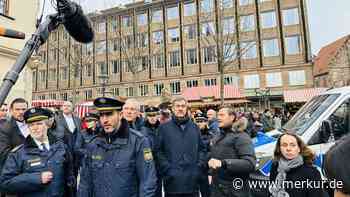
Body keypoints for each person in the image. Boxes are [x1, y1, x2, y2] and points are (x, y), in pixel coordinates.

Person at [78, 97, 157, 197]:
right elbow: (85, 183)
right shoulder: (94, 144)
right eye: (101, 115)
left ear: (120, 115)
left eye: (109, 114)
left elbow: (148, 182)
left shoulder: (138, 142)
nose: (105, 120)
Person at [0, 107, 76, 197]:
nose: (35, 128)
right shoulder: (18, 153)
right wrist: (36, 179)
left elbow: (69, 178)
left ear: (48, 125)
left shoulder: (61, 147)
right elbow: (5, 184)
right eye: (31, 125)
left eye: (39, 123)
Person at [157, 96, 207, 197]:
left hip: (192, 181)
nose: (180, 108)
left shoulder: (194, 127)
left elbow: (202, 149)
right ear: (173, 109)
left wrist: (198, 166)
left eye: (183, 106)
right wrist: (167, 168)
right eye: (177, 106)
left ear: (186, 108)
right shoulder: (163, 128)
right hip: (172, 182)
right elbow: (158, 151)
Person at [209, 106, 256, 197]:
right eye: (218, 115)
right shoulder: (218, 136)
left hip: (235, 190)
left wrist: (224, 163)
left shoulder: (242, 136)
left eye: (222, 115)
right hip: (217, 189)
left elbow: (250, 164)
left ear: (232, 117)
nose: (218, 118)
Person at [269, 132, 328, 197]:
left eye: (293, 145)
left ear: (299, 148)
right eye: (284, 145)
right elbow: (271, 191)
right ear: (279, 148)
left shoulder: (312, 173)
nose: (288, 149)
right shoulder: (275, 166)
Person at [0, 98, 29, 170]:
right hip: (15, 170)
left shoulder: (33, 124)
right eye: (17, 109)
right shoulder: (4, 128)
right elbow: (4, 154)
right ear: (11, 110)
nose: (21, 112)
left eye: (23, 109)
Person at [141, 106, 162, 197]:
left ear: (158, 116)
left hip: (159, 164)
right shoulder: (142, 129)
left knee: (158, 189)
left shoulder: (163, 128)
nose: (152, 117)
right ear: (147, 116)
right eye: (150, 115)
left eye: (154, 115)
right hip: (147, 164)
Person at [194, 112, 213, 197]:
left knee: (207, 194)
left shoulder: (211, 136)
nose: (199, 123)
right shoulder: (190, 135)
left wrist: (210, 173)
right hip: (192, 171)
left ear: (206, 122)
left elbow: (213, 155)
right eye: (197, 121)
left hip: (205, 171)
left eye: (202, 121)